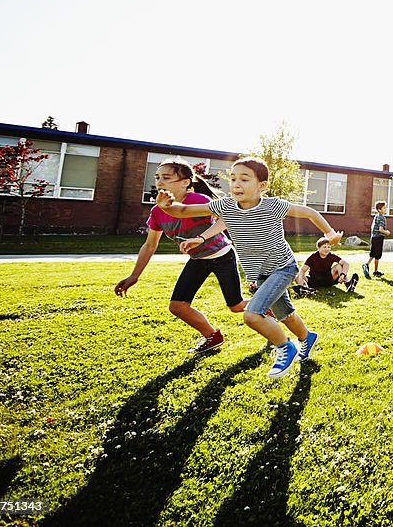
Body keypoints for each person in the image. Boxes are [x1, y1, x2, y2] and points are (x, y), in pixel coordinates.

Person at [159, 157, 343, 379]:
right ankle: (307, 337)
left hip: (283, 267)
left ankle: (285, 347)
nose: (236, 184)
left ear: (262, 186)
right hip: (262, 273)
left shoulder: (272, 205)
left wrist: (330, 234)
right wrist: (168, 207)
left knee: (252, 315)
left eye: (244, 179)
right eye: (233, 179)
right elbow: (184, 211)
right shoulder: (226, 206)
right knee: (285, 314)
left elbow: (310, 213)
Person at [114, 159, 243, 354]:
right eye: (157, 177)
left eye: (166, 178)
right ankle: (212, 336)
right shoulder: (157, 212)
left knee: (236, 306)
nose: (159, 182)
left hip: (222, 255)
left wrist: (201, 237)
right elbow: (149, 245)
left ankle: (270, 307)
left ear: (186, 182)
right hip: (198, 260)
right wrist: (134, 276)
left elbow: (226, 216)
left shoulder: (197, 200)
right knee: (177, 306)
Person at [362, 201, 391, 279]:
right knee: (377, 255)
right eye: (384, 208)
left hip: (374, 237)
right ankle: (366, 265)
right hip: (378, 238)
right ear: (379, 209)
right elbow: (380, 229)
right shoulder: (382, 217)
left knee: (374, 254)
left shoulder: (376, 216)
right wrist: (387, 232)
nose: (385, 209)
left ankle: (375, 271)